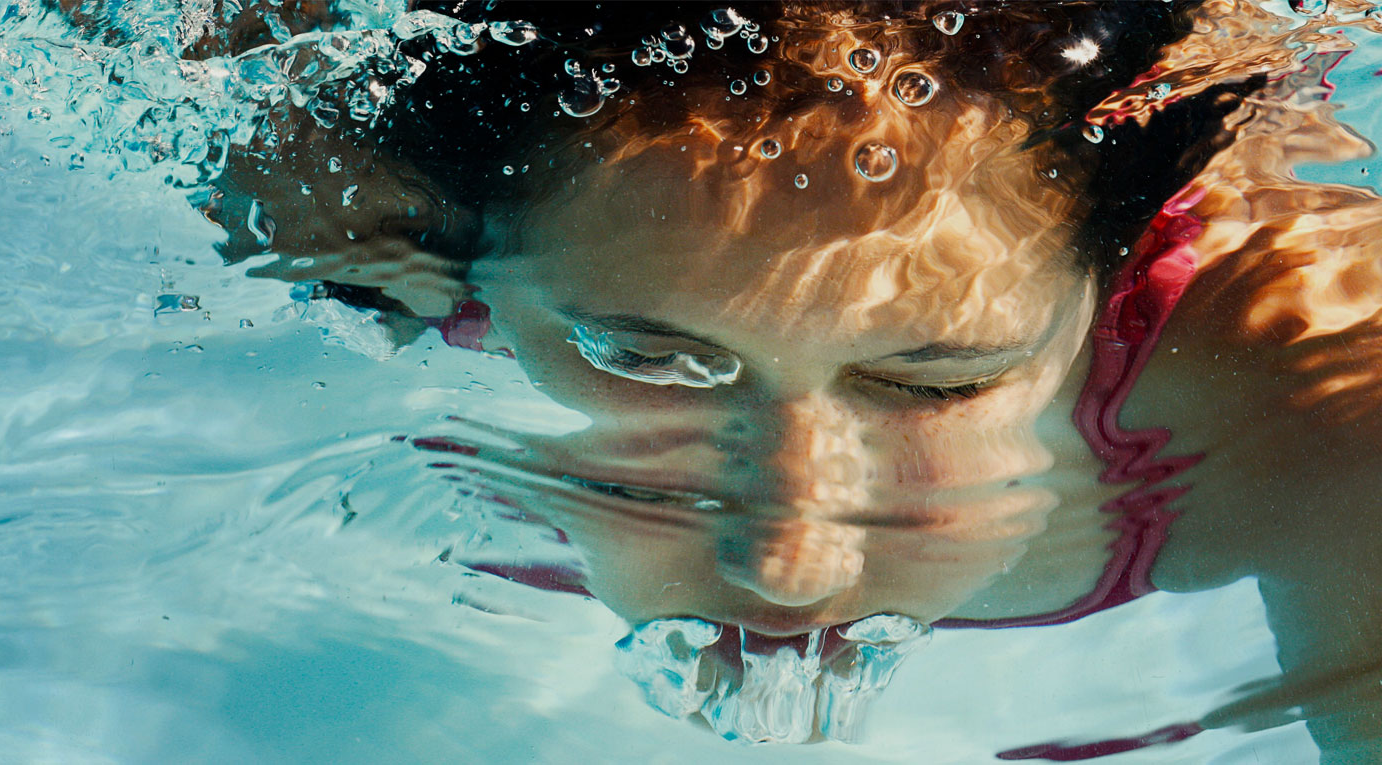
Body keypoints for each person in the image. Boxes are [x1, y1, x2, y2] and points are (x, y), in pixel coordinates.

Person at [211, 0, 1381, 755]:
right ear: (476, 266)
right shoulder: (341, 213)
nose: (786, 555)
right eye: (645, 356)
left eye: (933, 381)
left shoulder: (1310, 386)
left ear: (1108, 271)